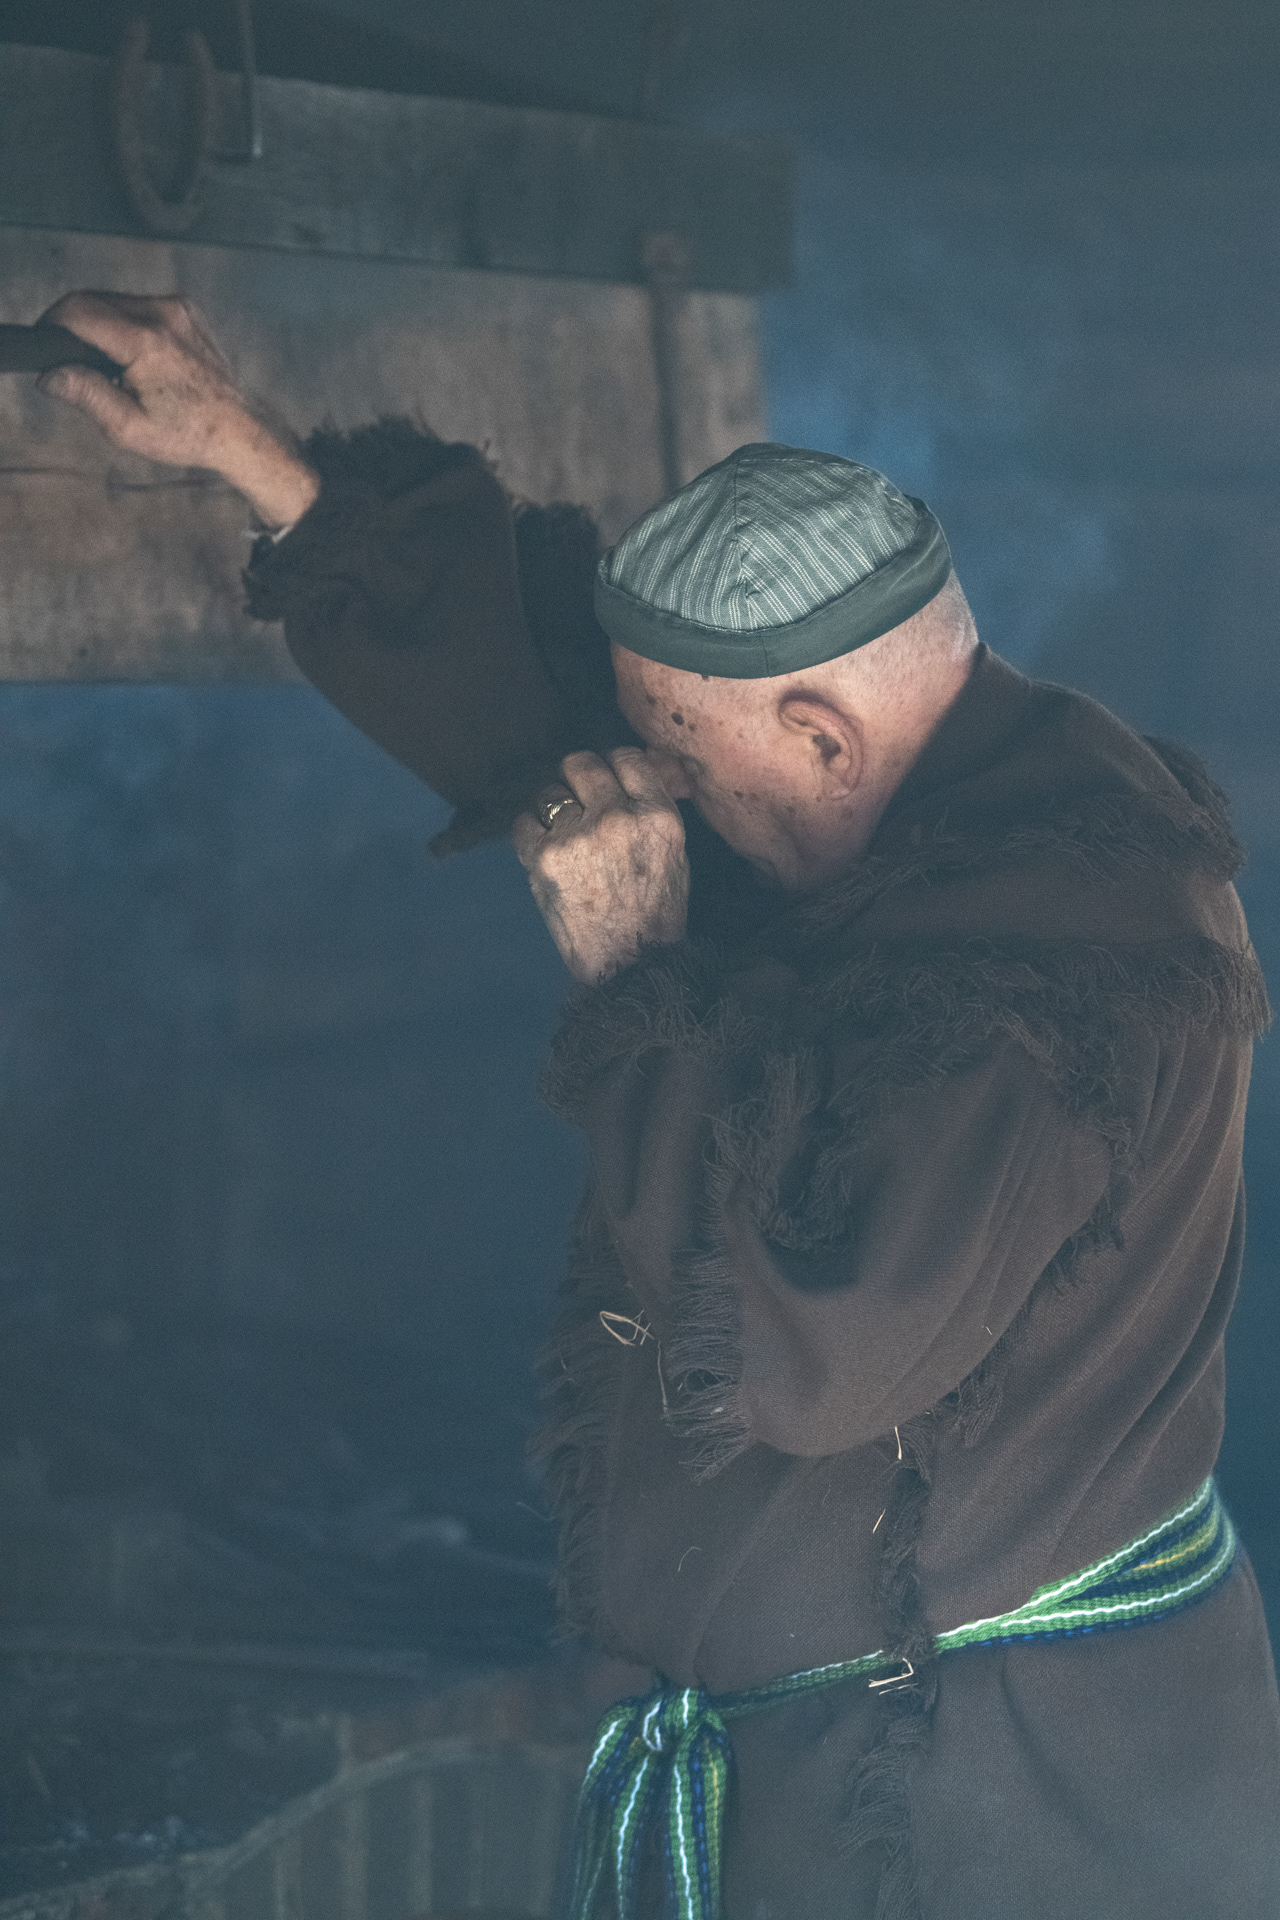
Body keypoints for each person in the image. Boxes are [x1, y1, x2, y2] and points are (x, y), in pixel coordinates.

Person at [37, 292, 1280, 1918]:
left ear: (825, 734)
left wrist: (637, 974)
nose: (659, 795)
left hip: (1000, 1801)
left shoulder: (1057, 967)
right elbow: (558, 694)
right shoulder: (907, 792)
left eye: (686, 766)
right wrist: (256, 460)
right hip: (859, 1753)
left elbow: (806, 1350)